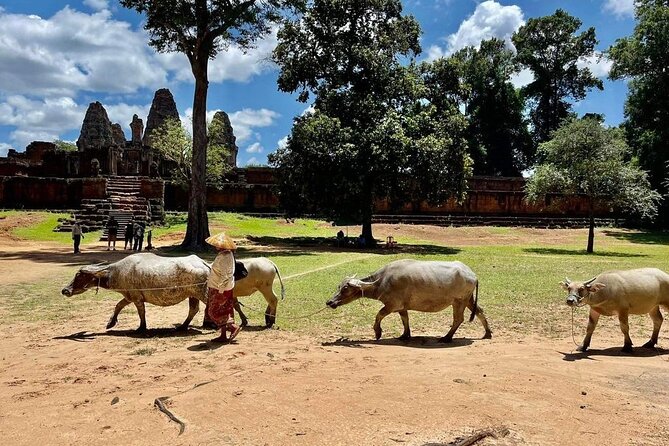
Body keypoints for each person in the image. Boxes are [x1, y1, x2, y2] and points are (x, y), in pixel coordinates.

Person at [205, 232, 241, 343]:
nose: (215, 245)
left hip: (220, 288)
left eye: (218, 244)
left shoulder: (225, 257)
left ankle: (232, 327)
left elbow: (225, 276)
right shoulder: (226, 254)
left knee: (213, 312)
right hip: (223, 287)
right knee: (224, 311)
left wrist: (220, 292)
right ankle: (223, 335)